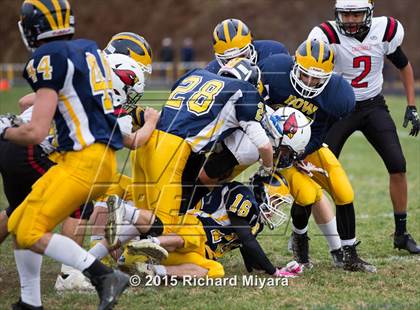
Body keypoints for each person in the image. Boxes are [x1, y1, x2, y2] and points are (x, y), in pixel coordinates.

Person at [0, 1, 128, 308]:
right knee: (19, 221)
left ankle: (103, 275)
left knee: (29, 230)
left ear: (33, 29)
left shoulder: (48, 57)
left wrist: (3, 130)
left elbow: (35, 133)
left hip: (82, 162)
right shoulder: (88, 49)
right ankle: (30, 302)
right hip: (99, 159)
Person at [308, 0, 420, 254]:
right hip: (338, 109)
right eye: (345, 15)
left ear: (369, 13)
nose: (350, 20)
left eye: (356, 13)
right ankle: (300, 234)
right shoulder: (327, 35)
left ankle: (401, 234)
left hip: (373, 106)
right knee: (315, 170)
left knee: (398, 166)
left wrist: (411, 106)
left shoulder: (384, 31)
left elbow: (404, 65)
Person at [205, 18, 289, 74]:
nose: (237, 62)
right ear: (220, 59)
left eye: (242, 56)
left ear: (252, 43)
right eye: (230, 59)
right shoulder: (212, 71)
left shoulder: (274, 52)